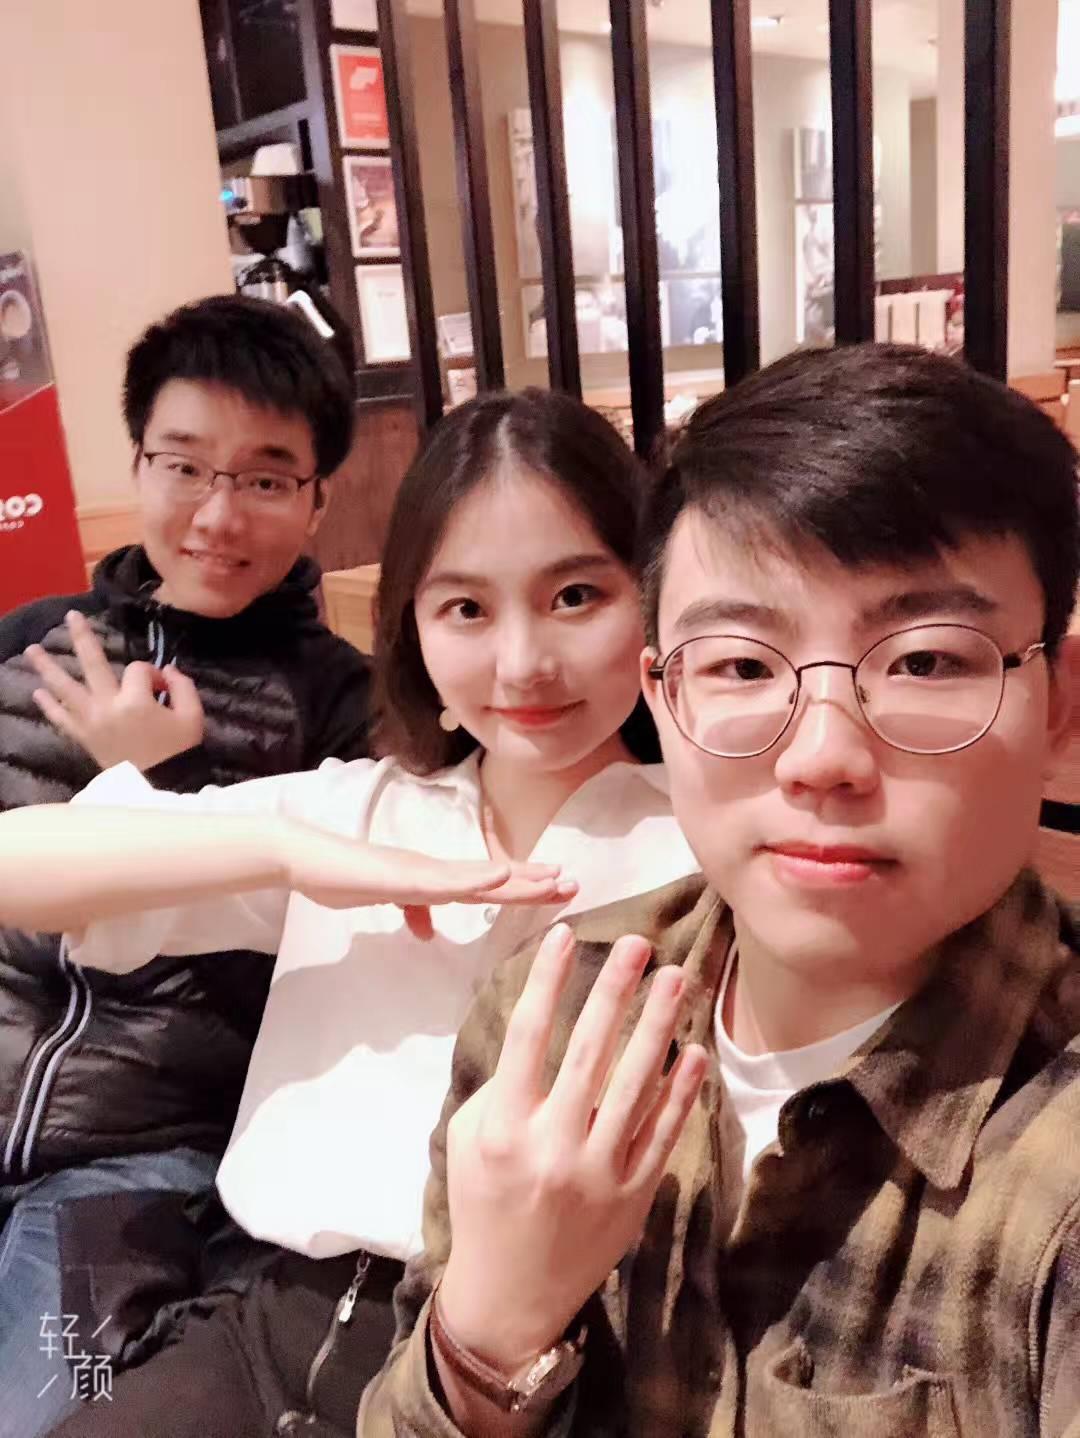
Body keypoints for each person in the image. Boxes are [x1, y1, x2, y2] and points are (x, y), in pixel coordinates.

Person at [354, 343, 1080, 1438]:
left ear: (1058, 700)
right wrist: (492, 1332)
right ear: (664, 691)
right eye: (742, 665)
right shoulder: (550, 1020)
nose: (822, 757)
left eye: (927, 661)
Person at [0, 387, 701, 1435]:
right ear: (412, 627)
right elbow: (19, 865)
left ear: (649, 597)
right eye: (465, 609)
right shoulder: (360, 808)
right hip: (259, 1324)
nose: (521, 662)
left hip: (528, 1363)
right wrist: (291, 851)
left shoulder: (705, 830)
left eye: (574, 596)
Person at [0, 293, 373, 1437]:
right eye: (185, 465)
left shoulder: (342, 704)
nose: (219, 514)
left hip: (131, 1167)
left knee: (50, 1413)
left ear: (316, 500)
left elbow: (320, 952)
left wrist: (158, 784)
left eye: (265, 478)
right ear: (138, 463)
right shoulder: (25, 642)